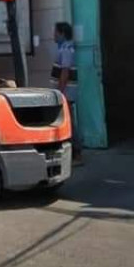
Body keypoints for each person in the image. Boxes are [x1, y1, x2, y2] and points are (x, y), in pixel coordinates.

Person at [52, 21, 83, 165]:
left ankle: (77, 154)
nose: (54, 35)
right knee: (68, 122)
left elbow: (64, 72)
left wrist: (59, 92)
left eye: (56, 32)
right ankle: (73, 153)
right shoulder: (65, 48)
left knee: (69, 123)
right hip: (66, 93)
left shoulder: (66, 49)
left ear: (62, 33)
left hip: (66, 93)